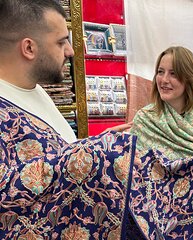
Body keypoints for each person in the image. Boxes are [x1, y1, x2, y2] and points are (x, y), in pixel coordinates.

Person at [0, 1, 135, 239]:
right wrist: (90, 153)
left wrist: (94, 143)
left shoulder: (35, 90)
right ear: (29, 48)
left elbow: (52, 152)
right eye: (62, 42)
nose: (71, 51)